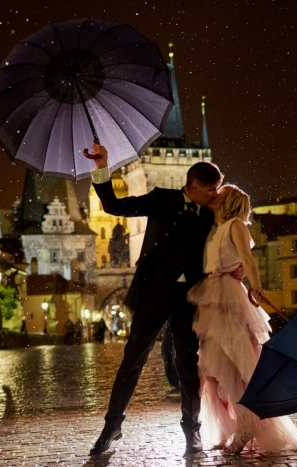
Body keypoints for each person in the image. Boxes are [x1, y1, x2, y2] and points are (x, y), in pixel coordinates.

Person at [88, 143, 228, 455]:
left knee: (188, 365)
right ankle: (112, 427)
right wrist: (102, 167)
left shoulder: (210, 212)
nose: (214, 195)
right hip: (155, 291)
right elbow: (113, 206)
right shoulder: (162, 199)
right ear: (192, 186)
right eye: (210, 190)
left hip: (189, 297)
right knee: (132, 360)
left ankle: (192, 431)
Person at [187, 184, 297, 454]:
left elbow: (248, 259)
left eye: (221, 192)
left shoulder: (236, 225)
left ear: (231, 201)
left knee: (235, 364)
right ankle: (229, 427)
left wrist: (257, 286)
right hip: (211, 295)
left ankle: (246, 427)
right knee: (212, 368)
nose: (215, 193)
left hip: (227, 295)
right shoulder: (214, 227)